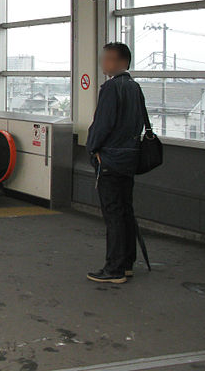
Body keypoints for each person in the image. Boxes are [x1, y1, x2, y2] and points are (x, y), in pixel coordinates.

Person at [86, 42, 146, 284]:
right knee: (125, 211)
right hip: (129, 157)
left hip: (110, 159)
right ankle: (127, 263)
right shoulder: (134, 87)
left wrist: (93, 149)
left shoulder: (112, 88)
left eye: (107, 58)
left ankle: (114, 269)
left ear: (122, 62)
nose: (103, 63)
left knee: (113, 214)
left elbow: (102, 124)